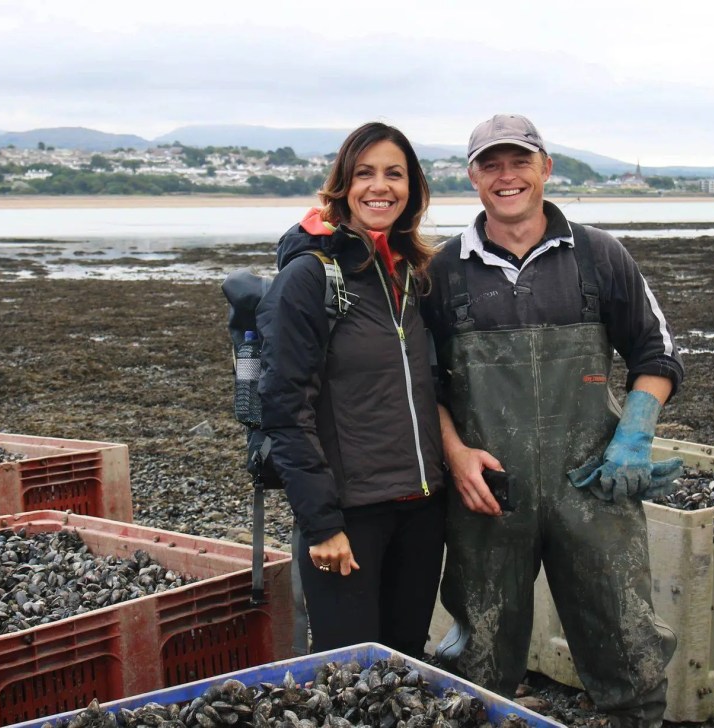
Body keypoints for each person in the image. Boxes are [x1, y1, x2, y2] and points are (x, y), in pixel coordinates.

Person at [421, 113, 683, 728]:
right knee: (480, 655)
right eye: (490, 164)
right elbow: (420, 383)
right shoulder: (441, 272)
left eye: (520, 161)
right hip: (489, 494)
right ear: (473, 177)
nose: (506, 176)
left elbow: (657, 353)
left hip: (592, 485)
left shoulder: (600, 257)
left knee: (627, 640)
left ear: (546, 168)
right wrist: (456, 454)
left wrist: (633, 438)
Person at [256, 122, 446, 656]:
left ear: (412, 189)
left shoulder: (413, 274)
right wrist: (321, 525)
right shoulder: (309, 276)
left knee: (406, 662)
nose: (379, 186)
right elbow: (285, 410)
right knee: (350, 673)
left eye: (394, 174)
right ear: (343, 185)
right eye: (365, 173)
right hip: (350, 515)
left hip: (422, 510)